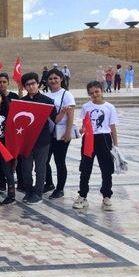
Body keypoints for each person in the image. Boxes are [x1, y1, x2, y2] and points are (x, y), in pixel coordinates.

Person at [74, 81, 119, 211]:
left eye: (96, 92)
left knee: (106, 169)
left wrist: (116, 145)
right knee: (85, 167)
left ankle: (106, 197)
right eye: (91, 93)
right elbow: (84, 125)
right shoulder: (86, 107)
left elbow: (112, 127)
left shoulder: (109, 107)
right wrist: (82, 130)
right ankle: (82, 196)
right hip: (89, 139)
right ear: (89, 94)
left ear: (101, 91)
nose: (94, 95)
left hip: (104, 138)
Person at [20, 72, 57, 205]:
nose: (31, 87)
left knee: (40, 167)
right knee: (26, 167)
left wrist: (65, 113)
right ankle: (29, 191)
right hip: (26, 141)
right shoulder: (22, 101)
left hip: (42, 140)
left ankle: (38, 193)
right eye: (28, 85)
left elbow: (55, 120)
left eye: (33, 84)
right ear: (25, 87)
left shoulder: (47, 101)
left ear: (38, 84)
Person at [44, 68, 76, 199]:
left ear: (61, 79)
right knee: (44, 160)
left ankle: (60, 188)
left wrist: (68, 132)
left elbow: (70, 115)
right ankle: (49, 183)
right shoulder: (47, 95)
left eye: (56, 78)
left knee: (59, 161)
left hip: (62, 131)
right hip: (49, 132)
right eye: (50, 78)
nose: (53, 81)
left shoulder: (66, 94)